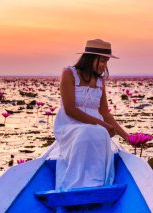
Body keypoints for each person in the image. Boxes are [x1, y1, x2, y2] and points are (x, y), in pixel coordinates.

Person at [53, 39, 130, 190]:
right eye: (102, 60)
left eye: (106, 61)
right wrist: (101, 124)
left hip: (95, 128)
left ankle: (97, 184)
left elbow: (105, 113)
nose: (104, 65)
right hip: (69, 125)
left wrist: (128, 137)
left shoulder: (100, 81)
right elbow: (70, 109)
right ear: (90, 58)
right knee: (89, 132)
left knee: (98, 132)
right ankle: (75, 185)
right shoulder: (69, 73)